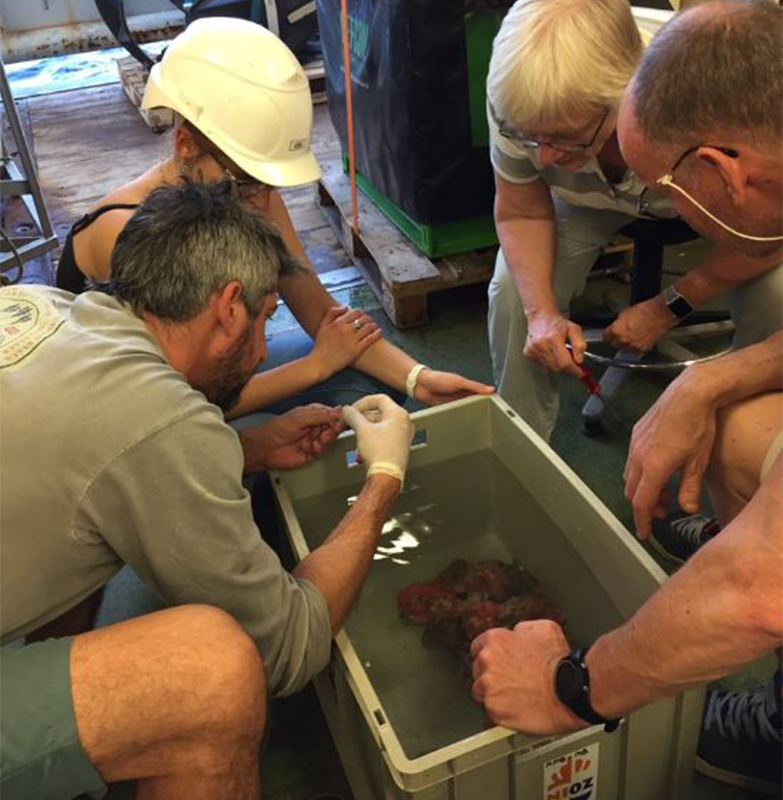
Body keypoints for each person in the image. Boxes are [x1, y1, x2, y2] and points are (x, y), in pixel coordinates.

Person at [0, 181, 415, 800]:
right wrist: (383, 481)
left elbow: (111, 460)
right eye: (266, 321)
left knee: (85, 536)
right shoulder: (154, 418)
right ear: (227, 309)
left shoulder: (41, 305)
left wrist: (244, 448)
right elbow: (289, 647)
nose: (262, 349)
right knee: (211, 676)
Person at [472, 1, 782, 794]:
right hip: (673, 205)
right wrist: (707, 375)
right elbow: (521, 204)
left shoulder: (693, 117)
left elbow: (759, 590)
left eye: (664, 189)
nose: (545, 152)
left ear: (720, 168)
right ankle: (527, 468)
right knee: (742, 431)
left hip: (729, 222)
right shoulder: (530, 94)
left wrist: (569, 686)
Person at [55, 17, 493, 423]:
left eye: (268, 183)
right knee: (257, 437)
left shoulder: (247, 195)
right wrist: (315, 366)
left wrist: (420, 378)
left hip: (200, 374)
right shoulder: (128, 234)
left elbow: (322, 315)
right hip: (129, 409)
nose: (260, 199)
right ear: (185, 144)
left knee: (368, 390)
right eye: (245, 182)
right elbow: (173, 404)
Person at [485, 0, 781, 442]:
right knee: (514, 291)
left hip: (708, 200)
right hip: (585, 203)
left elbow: (768, 231)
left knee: (775, 293)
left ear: (629, 94)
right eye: (530, 138)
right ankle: (523, 451)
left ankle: (747, 438)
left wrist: (671, 306)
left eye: (567, 136)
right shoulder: (517, 95)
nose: (544, 157)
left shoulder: (703, 88)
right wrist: (540, 312)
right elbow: (522, 207)